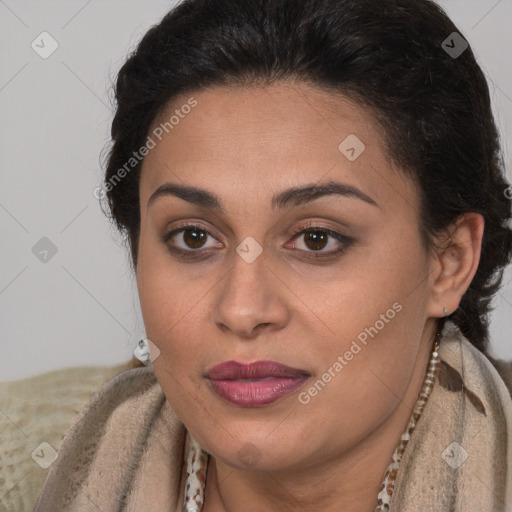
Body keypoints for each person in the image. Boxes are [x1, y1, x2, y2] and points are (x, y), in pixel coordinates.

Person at [34, 0, 512, 510]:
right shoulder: (25, 463)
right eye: (193, 238)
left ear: (449, 262)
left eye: (316, 239)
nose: (242, 310)